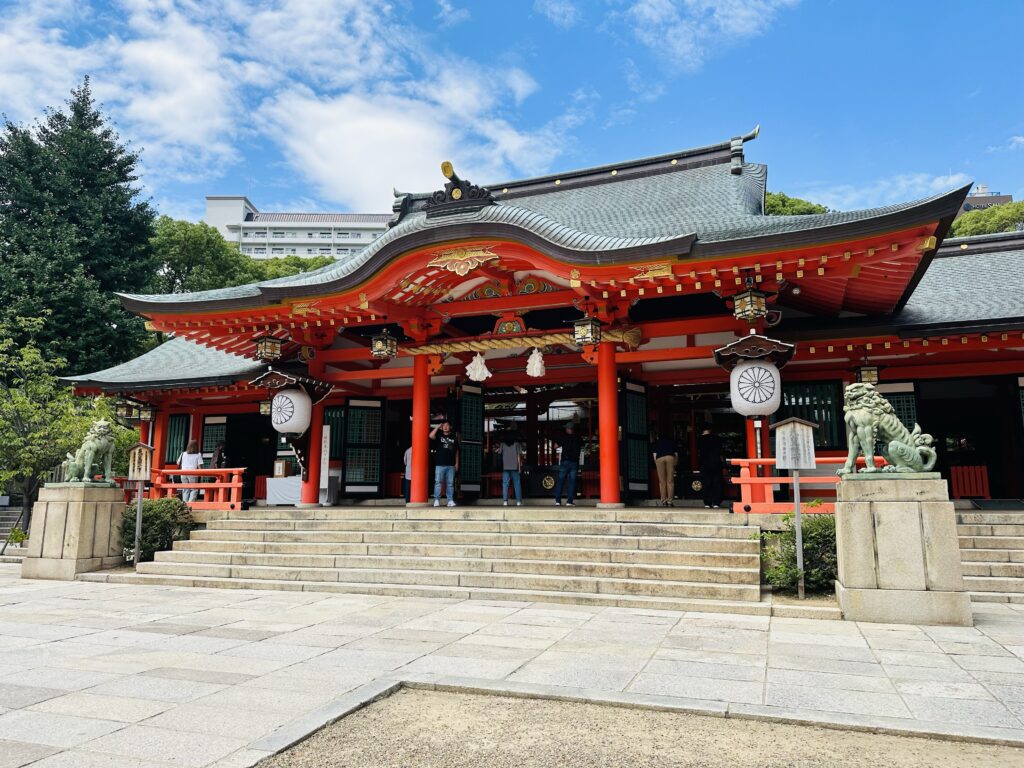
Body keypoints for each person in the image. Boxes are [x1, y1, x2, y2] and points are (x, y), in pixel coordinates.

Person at [430, 420, 459, 507]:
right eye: (444, 425)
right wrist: (438, 427)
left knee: (450, 483)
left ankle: (450, 500)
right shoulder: (439, 436)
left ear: (450, 427)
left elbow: (457, 451)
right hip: (440, 464)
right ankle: (436, 500)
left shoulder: (454, 438)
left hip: (451, 464)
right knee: (438, 482)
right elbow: (431, 436)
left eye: (447, 425)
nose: (446, 427)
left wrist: (457, 463)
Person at [553, 423, 582, 507]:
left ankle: (558, 501)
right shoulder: (578, 438)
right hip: (574, 462)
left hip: (565, 462)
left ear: (568, 429)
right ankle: (569, 501)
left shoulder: (563, 437)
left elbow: (555, 446)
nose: (565, 430)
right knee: (572, 482)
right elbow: (581, 446)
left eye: (566, 428)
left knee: (560, 481)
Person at [698, 427, 724, 509]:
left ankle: (707, 503)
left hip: (705, 464)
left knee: (706, 484)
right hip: (716, 464)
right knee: (717, 484)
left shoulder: (700, 439)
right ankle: (716, 503)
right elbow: (721, 451)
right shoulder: (717, 438)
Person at [496, 434, 523, 507]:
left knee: (505, 484)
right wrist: (519, 467)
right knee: (517, 484)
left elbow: (499, 453)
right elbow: (518, 456)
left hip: (505, 467)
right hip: (515, 466)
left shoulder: (502, 444)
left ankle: (505, 501)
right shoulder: (517, 444)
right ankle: (518, 501)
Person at [651, 433, 678, 507]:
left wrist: (657, 464)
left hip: (659, 458)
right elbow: (676, 454)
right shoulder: (672, 442)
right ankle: (670, 501)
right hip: (670, 457)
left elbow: (654, 455)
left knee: (662, 481)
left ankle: (663, 500)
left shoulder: (656, 443)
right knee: (670, 481)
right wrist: (674, 464)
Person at [177, 439, 204, 503]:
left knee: (185, 489)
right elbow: (200, 466)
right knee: (194, 489)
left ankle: (184, 504)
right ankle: (190, 503)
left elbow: (178, 463)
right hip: (193, 473)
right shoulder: (198, 454)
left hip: (183, 473)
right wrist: (202, 475)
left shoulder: (183, 454)